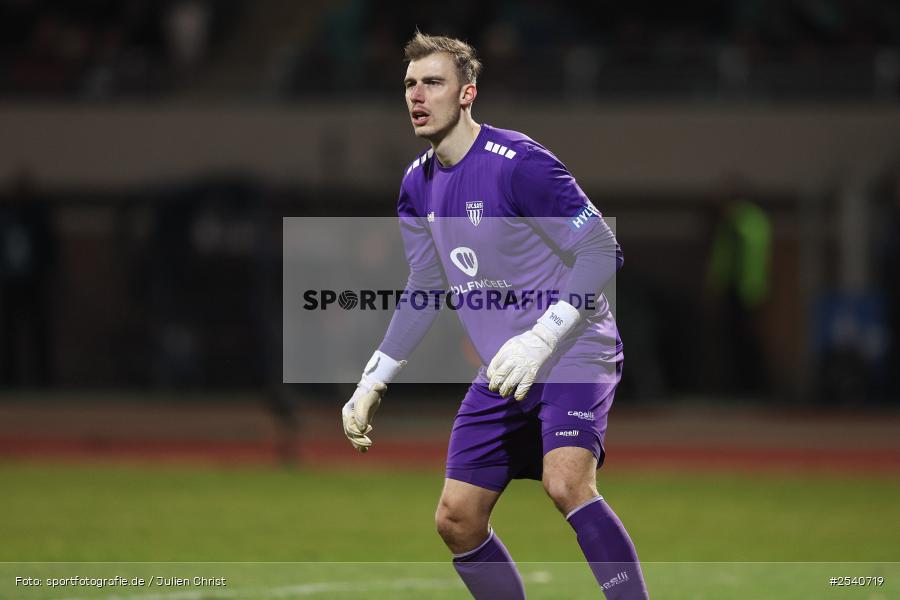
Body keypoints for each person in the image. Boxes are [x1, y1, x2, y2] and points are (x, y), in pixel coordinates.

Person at [340, 32, 648, 599]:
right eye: (410, 84)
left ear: (466, 93)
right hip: (505, 367)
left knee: (565, 481)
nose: (417, 95)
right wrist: (374, 378)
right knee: (456, 518)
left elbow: (603, 250)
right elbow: (426, 285)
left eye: (432, 82)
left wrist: (541, 336)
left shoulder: (519, 164)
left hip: (574, 345)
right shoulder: (415, 185)